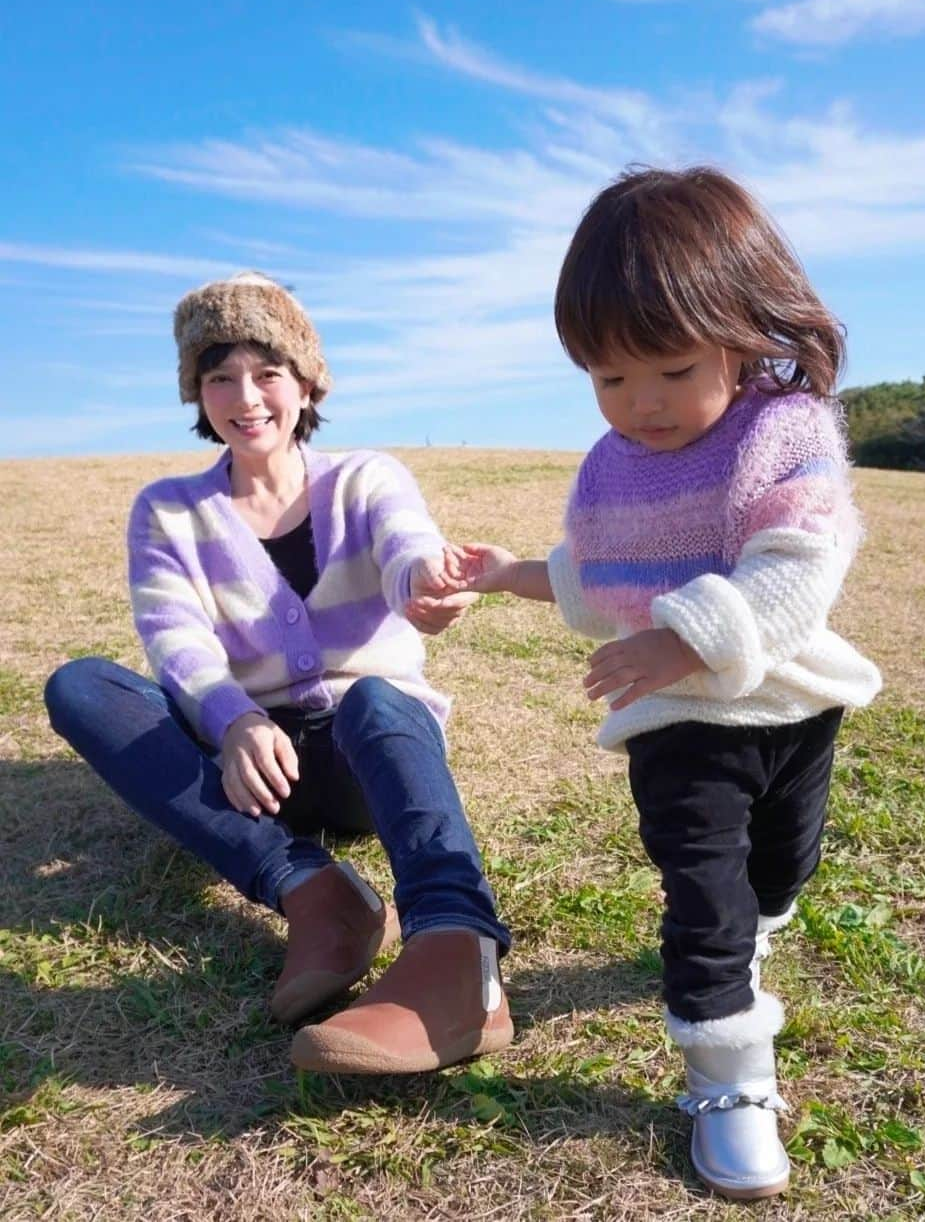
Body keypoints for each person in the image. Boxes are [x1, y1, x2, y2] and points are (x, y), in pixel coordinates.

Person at [450, 167, 881, 1199]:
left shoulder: (786, 429)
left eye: (671, 369)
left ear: (740, 329)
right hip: (682, 724)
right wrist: (508, 574)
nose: (640, 404)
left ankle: (752, 937)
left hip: (791, 701)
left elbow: (797, 565)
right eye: (607, 377)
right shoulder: (610, 465)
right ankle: (728, 1075)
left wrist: (687, 636)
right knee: (705, 893)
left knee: (783, 868)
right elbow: (598, 572)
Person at [44, 272, 513, 1075]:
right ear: (197, 391)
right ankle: (319, 895)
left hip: (370, 753)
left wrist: (423, 590)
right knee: (80, 687)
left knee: (376, 695)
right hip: (252, 767)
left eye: (267, 372)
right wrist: (234, 721)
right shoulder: (168, 508)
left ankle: (455, 948)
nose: (245, 395)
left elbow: (406, 545)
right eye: (219, 375)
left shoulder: (366, 477)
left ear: (306, 382)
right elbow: (174, 634)